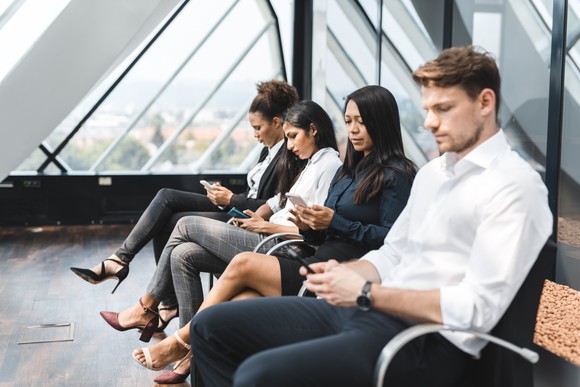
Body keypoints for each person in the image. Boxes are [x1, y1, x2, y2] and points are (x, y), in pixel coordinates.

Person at [188, 45, 554, 387]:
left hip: (425, 341)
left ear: (485, 102)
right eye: (427, 109)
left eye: (443, 109)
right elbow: (392, 253)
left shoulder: (515, 187)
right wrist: (342, 275)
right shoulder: (434, 174)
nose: (429, 122)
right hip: (372, 311)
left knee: (257, 375)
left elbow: (475, 309)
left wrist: (366, 294)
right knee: (211, 325)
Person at [129, 85, 418, 383]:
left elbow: (390, 241)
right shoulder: (349, 170)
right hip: (315, 256)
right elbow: (322, 235)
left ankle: (178, 342)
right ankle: (192, 354)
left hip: (335, 275)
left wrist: (333, 223)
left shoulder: (396, 174)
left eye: (361, 121)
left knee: (241, 262)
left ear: (381, 121)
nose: (354, 129)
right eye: (348, 121)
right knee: (236, 304)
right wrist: (310, 224)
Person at [98, 100, 341, 348]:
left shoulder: (329, 164)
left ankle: (146, 306)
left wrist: (266, 226)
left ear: (313, 129)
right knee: (183, 254)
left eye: (293, 137)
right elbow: (282, 205)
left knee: (183, 224)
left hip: (278, 245)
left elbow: (313, 229)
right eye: (287, 138)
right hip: (268, 234)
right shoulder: (312, 162)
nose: (289, 146)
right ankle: (189, 346)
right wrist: (261, 219)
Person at [69, 79, 299, 328]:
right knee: (166, 197)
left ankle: (156, 297)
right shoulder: (270, 148)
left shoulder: (290, 153)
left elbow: (276, 204)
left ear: (276, 123)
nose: (254, 134)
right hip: (236, 206)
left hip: (246, 218)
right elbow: (259, 192)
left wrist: (231, 199)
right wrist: (225, 196)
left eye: (258, 128)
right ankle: (131, 270)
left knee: (173, 221)